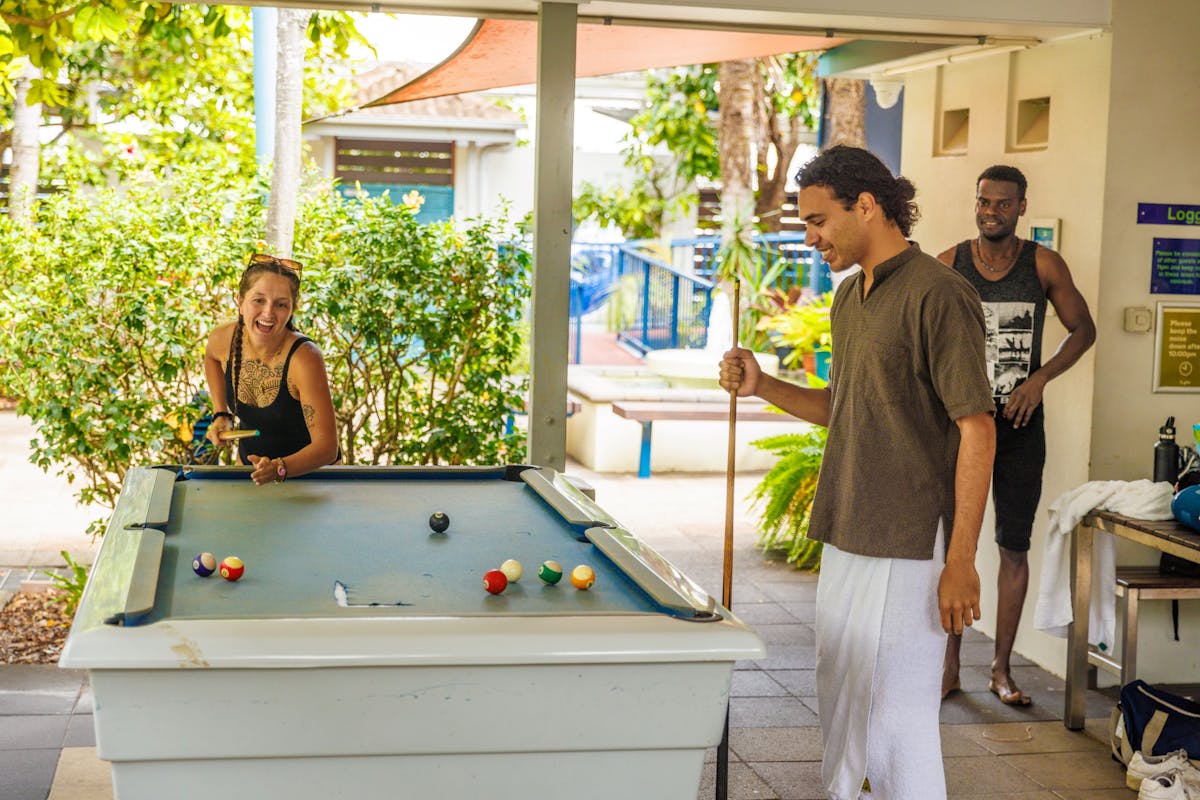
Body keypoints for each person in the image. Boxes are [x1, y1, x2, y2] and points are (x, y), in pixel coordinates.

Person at [719, 145, 995, 800]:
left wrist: (960, 560)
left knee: (897, 718)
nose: (810, 237)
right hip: (848, 528)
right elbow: (843, 409)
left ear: (866, 207)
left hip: (910, 541)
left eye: (817, 221)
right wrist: (762, 384)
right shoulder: (849, 295)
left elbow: (977, 429)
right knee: (843, 700)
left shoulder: (939, 295)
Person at [937, 166, 1096, 706]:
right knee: (953, 545)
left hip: (1021, 430)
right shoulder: (950, 264)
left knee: (1013, 546)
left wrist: (1040, 379)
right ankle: (949, 663)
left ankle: (1001, 669)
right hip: (962, 428)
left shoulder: (1043, 264)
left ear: (1022, 207)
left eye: (1003, 204)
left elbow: (1084, 328)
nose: (991, 211)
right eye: (984, 201)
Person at [204, 253, 339, 485]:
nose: (268, 312)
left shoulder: (304, 358)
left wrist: (278, 468)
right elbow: (211, 358)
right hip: (252, 474)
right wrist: (221, 415)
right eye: (259, 300)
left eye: (281, 304)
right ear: (240, 301)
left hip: (313, 479)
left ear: (292, 309)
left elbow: (327, 448)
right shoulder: (223, 339)